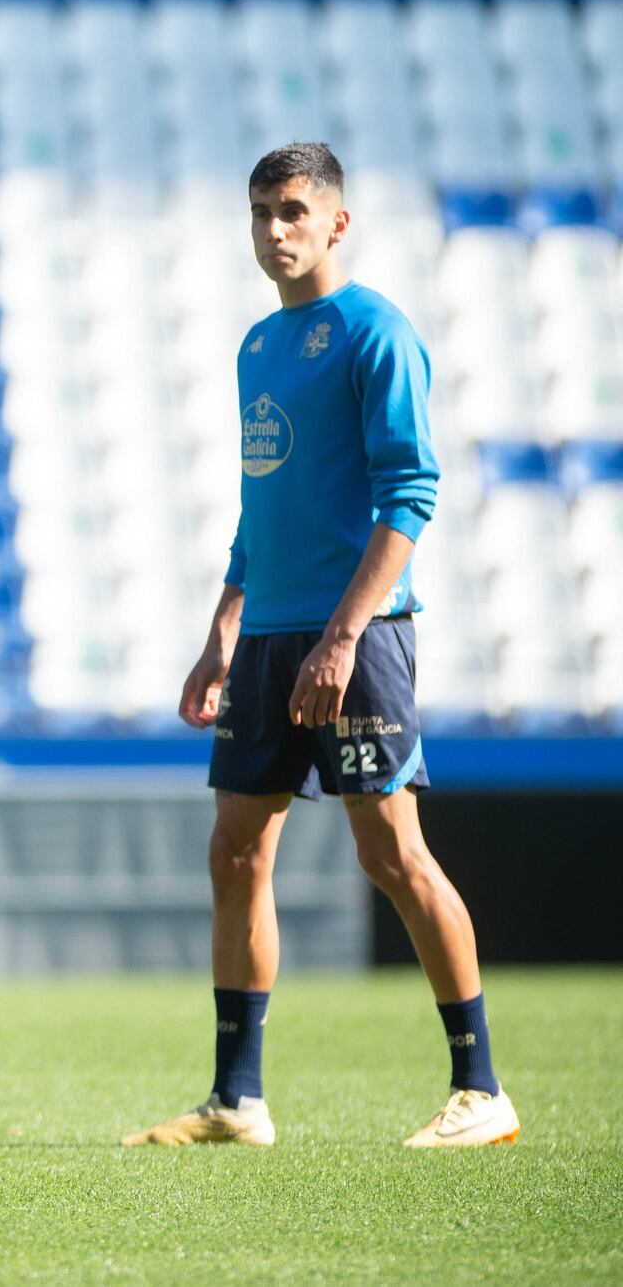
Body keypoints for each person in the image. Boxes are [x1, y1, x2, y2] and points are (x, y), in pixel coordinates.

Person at [123, 144, 518, 1149]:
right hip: (264, 639)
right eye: (259, 211)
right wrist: (221, 634)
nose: (272, 229)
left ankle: (479, 1089)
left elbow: (409, 493)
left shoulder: (375, 332)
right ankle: (235, 1099)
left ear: (335, 223)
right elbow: (261, 514)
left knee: (390, 853)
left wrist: (341, 636)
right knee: (233, 853)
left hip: (357, 636)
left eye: (292, 211)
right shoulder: (258, 345)